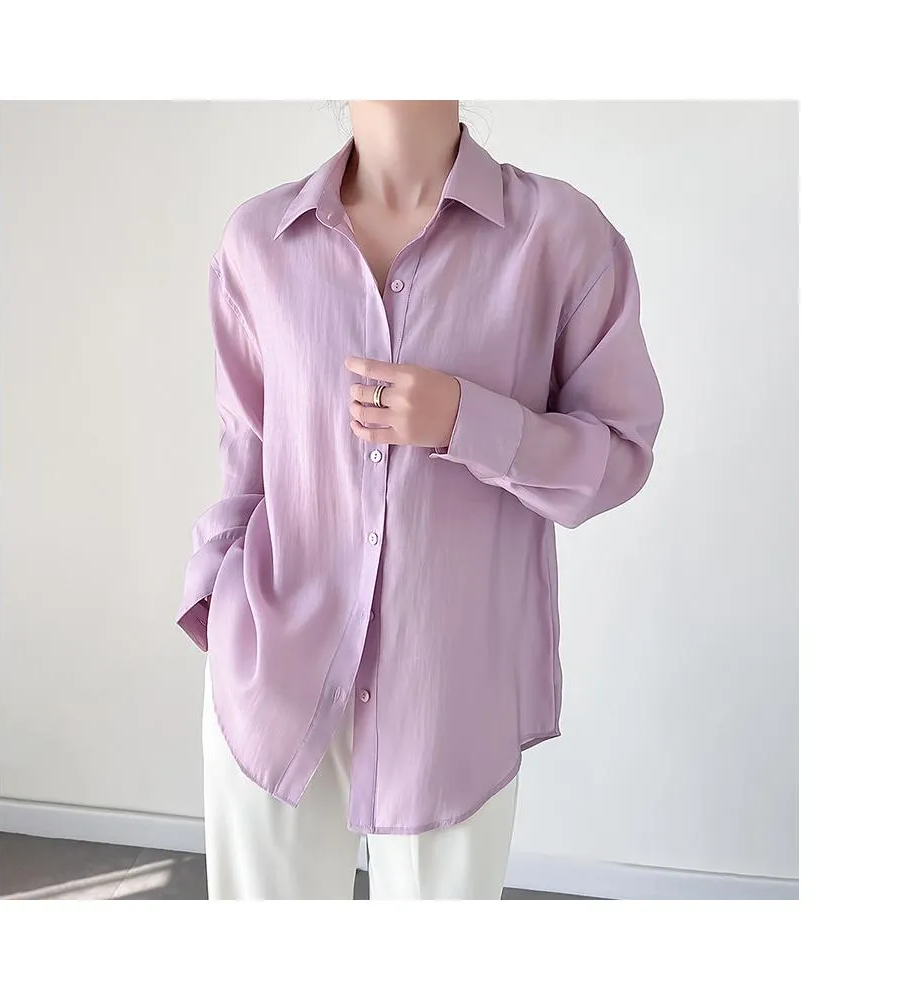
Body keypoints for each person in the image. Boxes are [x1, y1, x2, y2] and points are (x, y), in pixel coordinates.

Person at [177, 100, 664, 899]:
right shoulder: (258, 243)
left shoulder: (559, 237)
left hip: (452, 690)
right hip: (272, 663)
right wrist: (214, 598)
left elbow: (620, 452)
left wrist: (467, 420)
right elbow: (247, 455)